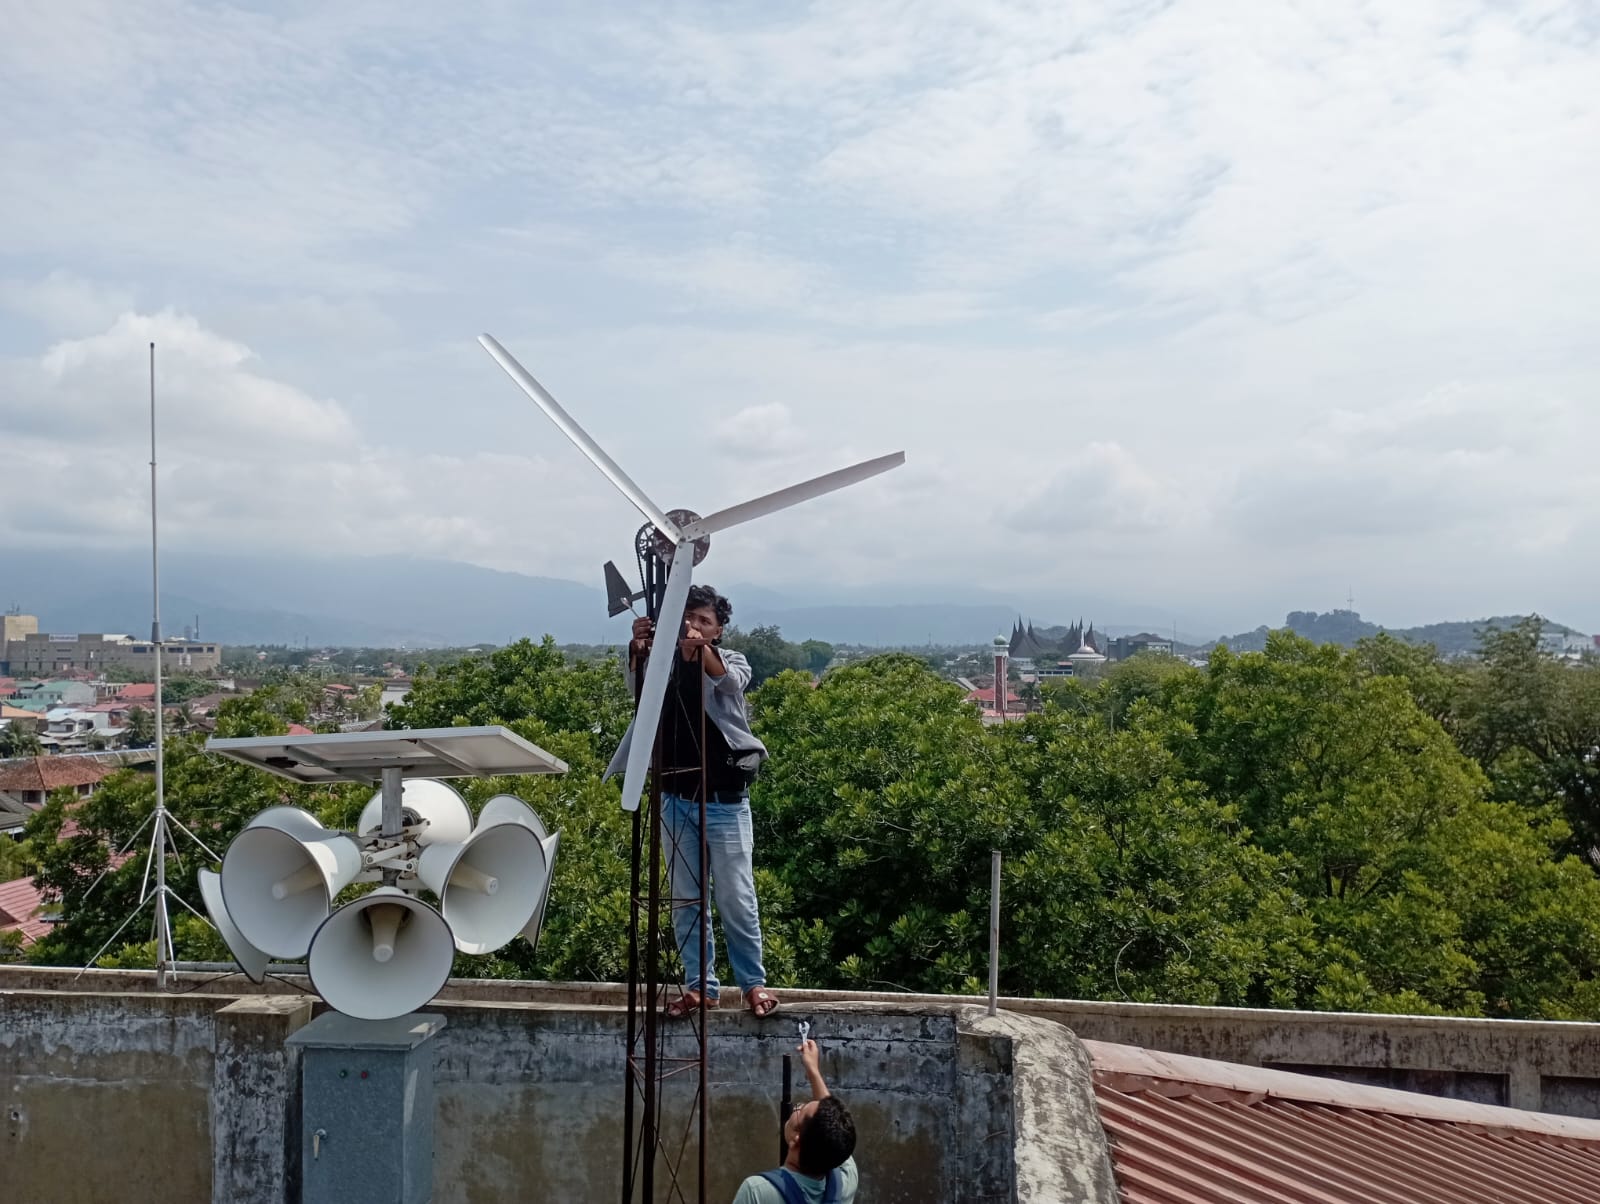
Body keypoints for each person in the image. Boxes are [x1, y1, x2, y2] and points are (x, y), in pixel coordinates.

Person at [607, 583, 779, 1019]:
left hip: (724, 801)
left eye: (705, 621)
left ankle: (753, 984)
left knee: (737, 897)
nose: (695, 626)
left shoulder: (730, 659)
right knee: (686, 899)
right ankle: (700, 986)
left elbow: (729, 680)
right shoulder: (660, 661)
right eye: (689, 618)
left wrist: (699, 650)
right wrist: (640, 645)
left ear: (718, 630)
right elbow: (638, 691)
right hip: (675, 798)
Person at [734, 1038, 858, 1204]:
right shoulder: (845, 1182)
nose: (796, 1108)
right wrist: (812, 1070)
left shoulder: (757, 1191)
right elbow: (835, 1128)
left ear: (796, 1139)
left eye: (801, 1109)